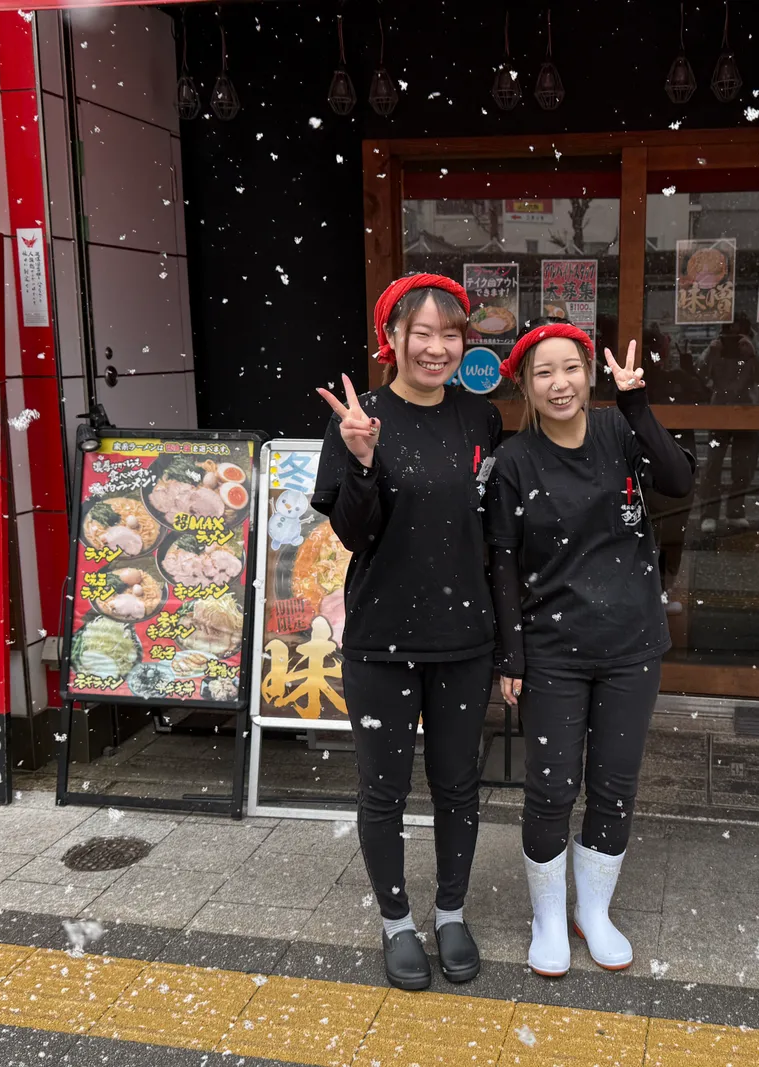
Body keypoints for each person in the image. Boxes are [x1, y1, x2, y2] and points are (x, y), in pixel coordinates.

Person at [485, 321, 695, 976]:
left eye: (570, 367)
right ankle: (548, 916)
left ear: (588, 372)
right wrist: (511, 654)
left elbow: (679, 480)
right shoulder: (515, 462)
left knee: (613, 787)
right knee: (551, 789)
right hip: (554, 650)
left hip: (633, 644)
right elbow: (502, 564)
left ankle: (592, 911)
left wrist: (637, 404)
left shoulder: (616, 431)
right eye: (544, 372)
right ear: (526, 383)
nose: (560, 383)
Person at [311, 273, 501, 991]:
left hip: (463, 637)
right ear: (391, 338)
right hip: (381, 637)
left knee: (458, 785)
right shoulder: (359, 418)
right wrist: (362, 460)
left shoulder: (479, 420)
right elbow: (355, 533)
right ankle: (396, 921)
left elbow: (488, 532)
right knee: (383, 789)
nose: (436, 347)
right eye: (421, 332)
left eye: (450, 334)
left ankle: (450, 910)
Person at [700, 318, 759, 532]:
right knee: (712, 466)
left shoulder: (756, 347)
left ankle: (736, 511)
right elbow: (699, 374)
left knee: (744, 466)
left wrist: (752, 354)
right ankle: (710, 514)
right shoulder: (717, 345)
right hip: (719, 412)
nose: (733, 340)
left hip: (747, 411)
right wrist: (711, 352)